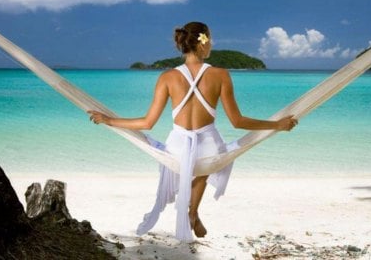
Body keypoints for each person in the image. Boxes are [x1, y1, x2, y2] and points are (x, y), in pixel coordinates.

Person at [88, 21, 297, 241]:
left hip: (177, 147)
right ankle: (193, 211)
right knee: (212, 157)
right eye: (211, 40)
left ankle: (192, 210)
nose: (212, 45)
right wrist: (277, 125)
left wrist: (109, 120)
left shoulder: (167, 77)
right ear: (202, 43)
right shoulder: (221, 74)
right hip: (208, 147)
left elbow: (147, 123)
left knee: (191, 159)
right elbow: (237, 121)